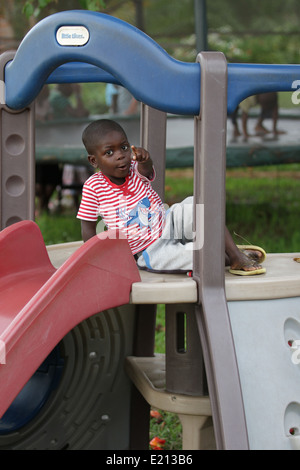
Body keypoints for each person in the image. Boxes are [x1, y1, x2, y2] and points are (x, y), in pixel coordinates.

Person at [77, 119, 266, 276]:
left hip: (168, 223)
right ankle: (224, 256)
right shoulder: (94, 187)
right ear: (94, 160)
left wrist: (146, 160)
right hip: (148, 250)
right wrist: (95, 260)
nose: (120, 156)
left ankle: (234, 254)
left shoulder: (134, 169)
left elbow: (146, 170)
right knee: (190, 257)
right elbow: (88, 226)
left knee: (196, 204)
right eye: (109, 152)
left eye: (124, 147)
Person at [49, 83, 92, 210]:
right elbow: (79, 113)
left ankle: (80, 203)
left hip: (63, 140)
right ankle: (82, 203)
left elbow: (83, 113)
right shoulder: (57, 98)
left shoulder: (58, 97)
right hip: (61, 142)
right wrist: (78, 94)